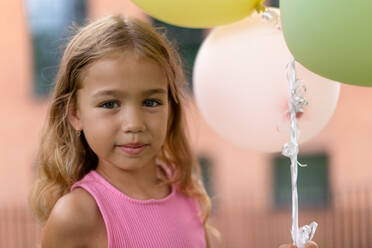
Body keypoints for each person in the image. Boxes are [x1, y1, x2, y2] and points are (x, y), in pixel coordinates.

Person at [29, 13, 318, 248]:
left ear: (171, 106)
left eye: (151, 101)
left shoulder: (185, 189)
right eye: (110, 103)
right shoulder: (77, 215)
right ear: (75, 114)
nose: (134, 124)